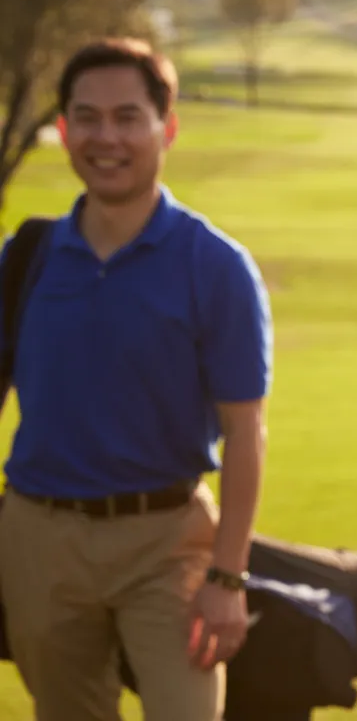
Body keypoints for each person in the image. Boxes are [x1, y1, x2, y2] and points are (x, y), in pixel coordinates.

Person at [0, 38, 272, 721]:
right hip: (39, 537)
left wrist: (228, 578)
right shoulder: (27, 257)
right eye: (86, 118)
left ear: (166, 128)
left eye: (128, 117)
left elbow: (245, 432)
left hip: (167, 542)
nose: (106, 137)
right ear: (62, 130)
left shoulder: (216, 267)